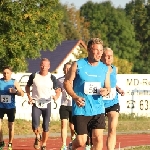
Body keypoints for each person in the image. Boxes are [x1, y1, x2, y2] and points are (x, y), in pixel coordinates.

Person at [64, 38, 111, 150]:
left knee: (98, 138)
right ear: (89, 50)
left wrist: (106, 90)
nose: (100, 53)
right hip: (81, 108)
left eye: (101, 50)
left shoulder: (105, 68)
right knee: (81, 141)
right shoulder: (78, 65)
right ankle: (71, 147)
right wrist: (75, 97)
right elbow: (67, 83)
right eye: (97, 50)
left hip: (98, 108)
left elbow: (108, 87)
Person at [25, 58, 60, 150]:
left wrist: (56, 97)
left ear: (49, 66)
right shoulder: (34, 76)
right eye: (42, 65)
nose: (43, 67)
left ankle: (43, 144)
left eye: (45, 65)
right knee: (35, 126)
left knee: (46, 126)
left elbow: (58, 90)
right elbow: (27, 86)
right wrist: (29, 97)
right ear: (40, 65)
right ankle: (37, 135)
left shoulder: (52, 77)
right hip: (36, 103)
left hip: (47, 103)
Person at [101, 47, 124, 150]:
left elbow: (113, 83)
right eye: (106, 55)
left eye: (110, 56)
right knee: (98, 132)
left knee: (112, 129)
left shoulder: (115, 69)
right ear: (102, 57)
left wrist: (118, 89)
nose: (109, 58)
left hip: (113, 102)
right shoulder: (98, 69)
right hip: (99, 103)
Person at [0, 66, 24, 150]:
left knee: (10, 126)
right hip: (1, 107)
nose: (6, 75)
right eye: (4, 73)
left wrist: (15, 92)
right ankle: (1, 141)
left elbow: (22, 93)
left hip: (11, 107)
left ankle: (10, 143)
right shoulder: (0, 81)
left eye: (7, 73)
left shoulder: (14, 82)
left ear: (11, 73)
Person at [57, 62, 75, 150]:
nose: (67, 70)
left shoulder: (75, 79)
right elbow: (58, 90)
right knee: (63, 124)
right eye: (66, 68)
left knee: (72, 127)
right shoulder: (60, 80)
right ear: (63, 70)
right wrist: (55, 95)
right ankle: (64, 144)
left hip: (73, 105)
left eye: (69, 68)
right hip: (64, 105)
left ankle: (72, 142)